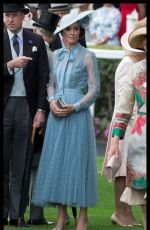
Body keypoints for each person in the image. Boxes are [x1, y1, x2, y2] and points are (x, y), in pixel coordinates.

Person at [32, 10, 100, 230]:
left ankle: (83, 217)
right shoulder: (57, 55)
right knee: (58, 162)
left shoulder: (88, 56)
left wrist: (77, 106)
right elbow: (50, 82)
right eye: (69, 28)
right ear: (62, 32)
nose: (73, 32)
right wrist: (51, 100)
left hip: (77, 113)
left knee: (78, 161)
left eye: (76, 28)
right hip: (57, 114)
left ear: (80, 31)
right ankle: (61, 217)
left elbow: (95, 89)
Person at [3, 3, 49, 227]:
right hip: (5, 107)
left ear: (23, 16)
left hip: (27, 108)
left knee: (22, 162)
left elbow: (43, 78)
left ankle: (16, 214)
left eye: (14, 15)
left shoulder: (36, 40)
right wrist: (9, 65)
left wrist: (40, 110)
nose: (10, 19)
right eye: (7, 15)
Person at [102, 18, 146, 227]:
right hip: (137, 130)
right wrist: (115, 142)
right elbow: (122, 107)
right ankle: (123, 213)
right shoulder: (133, 68)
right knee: (137, 185)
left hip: (137, 128)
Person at [25, 11, 60, 226]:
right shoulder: (50, 54)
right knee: (35, 165)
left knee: (27, 164)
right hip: (40, 114)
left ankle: (22, 211)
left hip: (32, 112)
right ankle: (35, 214)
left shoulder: (32, 49)